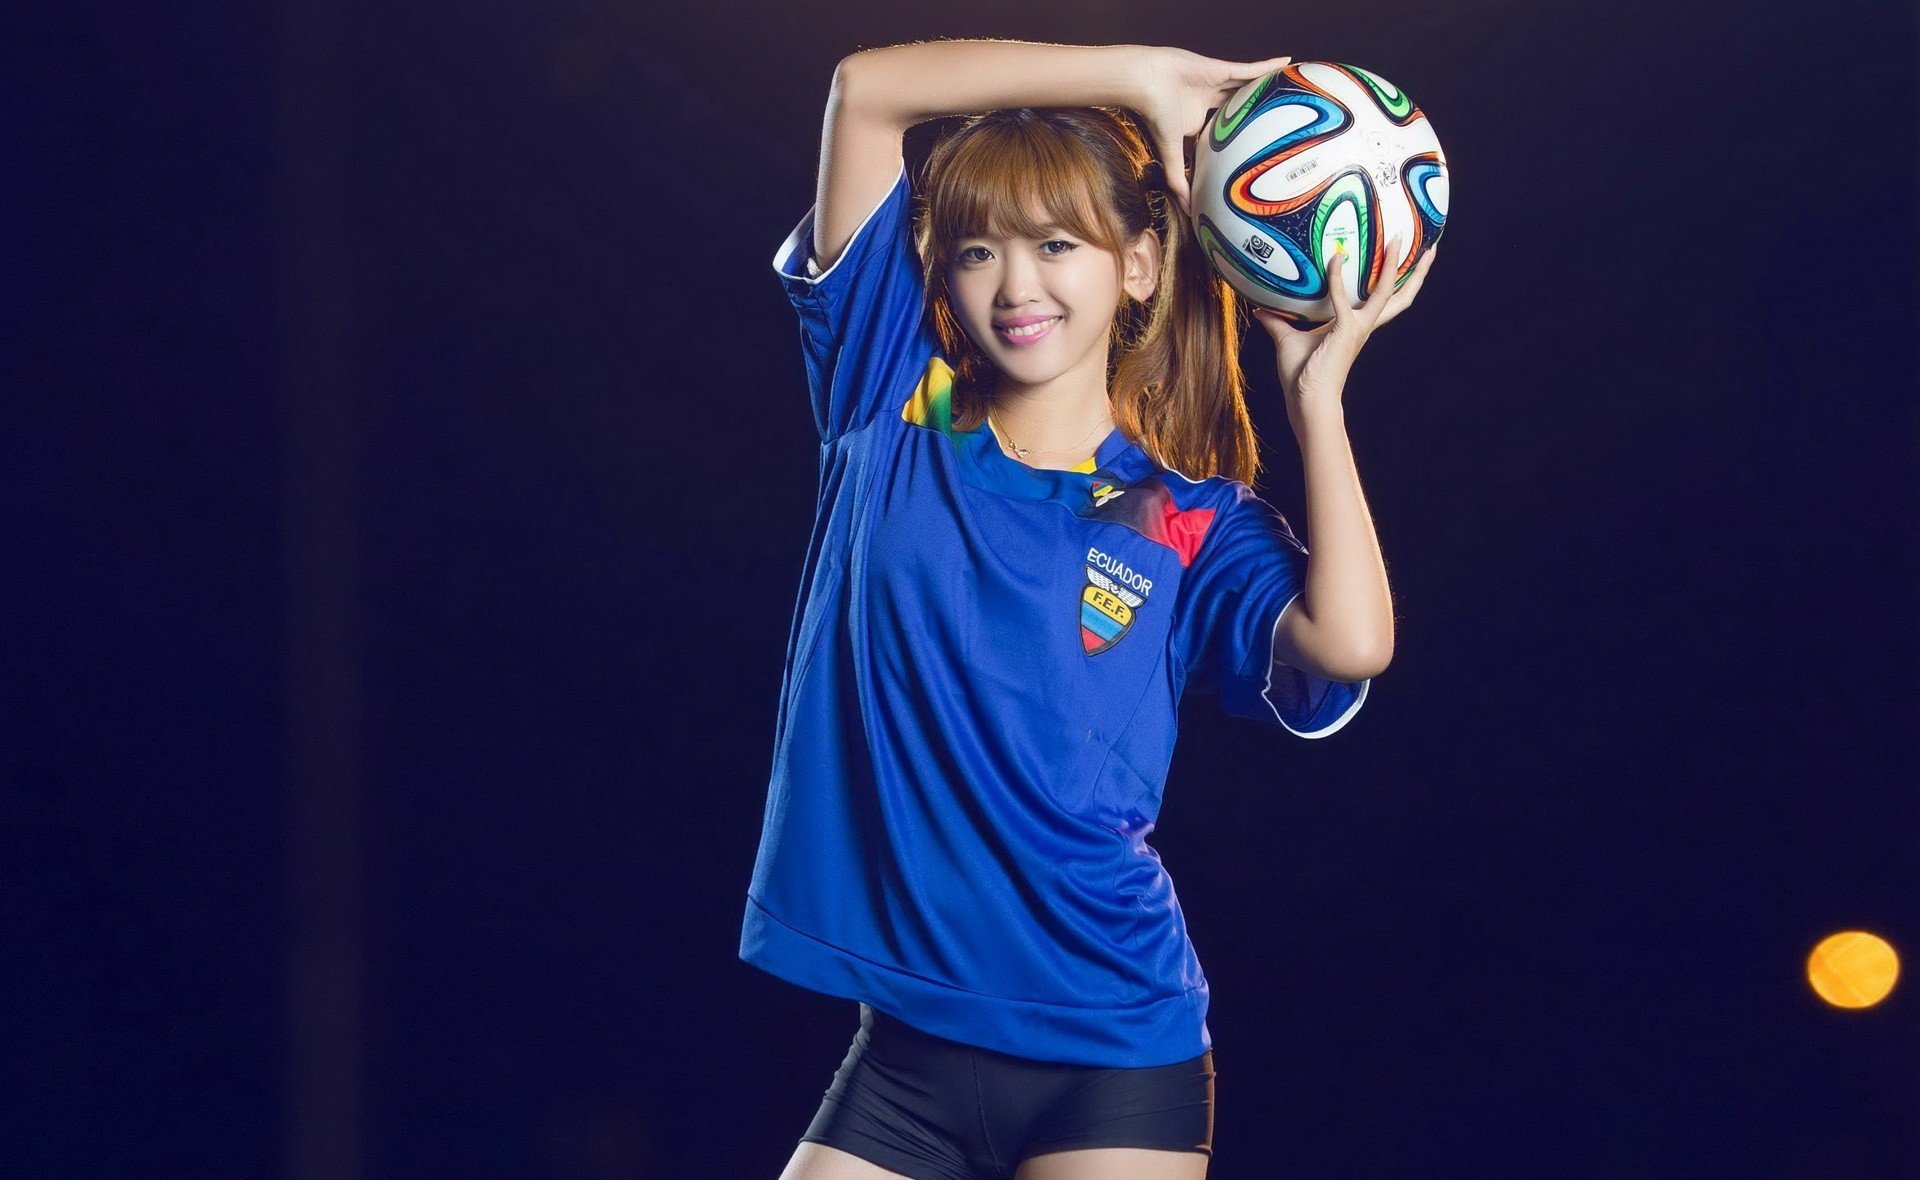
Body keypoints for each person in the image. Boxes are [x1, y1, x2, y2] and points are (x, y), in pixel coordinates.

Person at [744, 39, 1436, 1180]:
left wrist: (1319, 402)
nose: (1018, 286)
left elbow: (1352, 642)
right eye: (979, 250)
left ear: (1142, 264)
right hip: (910, 1053)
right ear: (937, 269)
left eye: (1058, 245)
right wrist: (1139, 76)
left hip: (1114, 1050)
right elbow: (865, 91)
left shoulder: (1181, 519)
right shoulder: (891, 399)